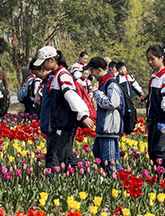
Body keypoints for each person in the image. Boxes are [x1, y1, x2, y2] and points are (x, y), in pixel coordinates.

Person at [34, 45, 94, 174]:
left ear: (51, 60)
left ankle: (51, 187)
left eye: (43, 63)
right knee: (68, 158)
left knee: (53, 158)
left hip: (63, 124)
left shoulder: (63, 76)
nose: (42, 67)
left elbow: (71, 95)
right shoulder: (56, 76)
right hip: (60, 124)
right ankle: (94, 176)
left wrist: (83, 115)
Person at [142, 45, 165, 169]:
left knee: (159, 150)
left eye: (152, 59)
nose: (150, 62)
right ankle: (160, 178)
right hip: (154, 120)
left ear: (161, 58)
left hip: (162, 120)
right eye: (148, 59)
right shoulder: (155, 75)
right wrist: (147, 96)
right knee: (152, 151)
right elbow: (158, 95)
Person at [88, 57, 123, 172]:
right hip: (102, 130)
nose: (91, 74)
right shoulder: (103, 83)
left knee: (110, 162)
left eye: (92, 71)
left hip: (109, 130)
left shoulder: (111, 83)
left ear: (99, 70)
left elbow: (111, 103)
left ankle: (122, 183)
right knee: (99, 156)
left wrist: (96, 93)